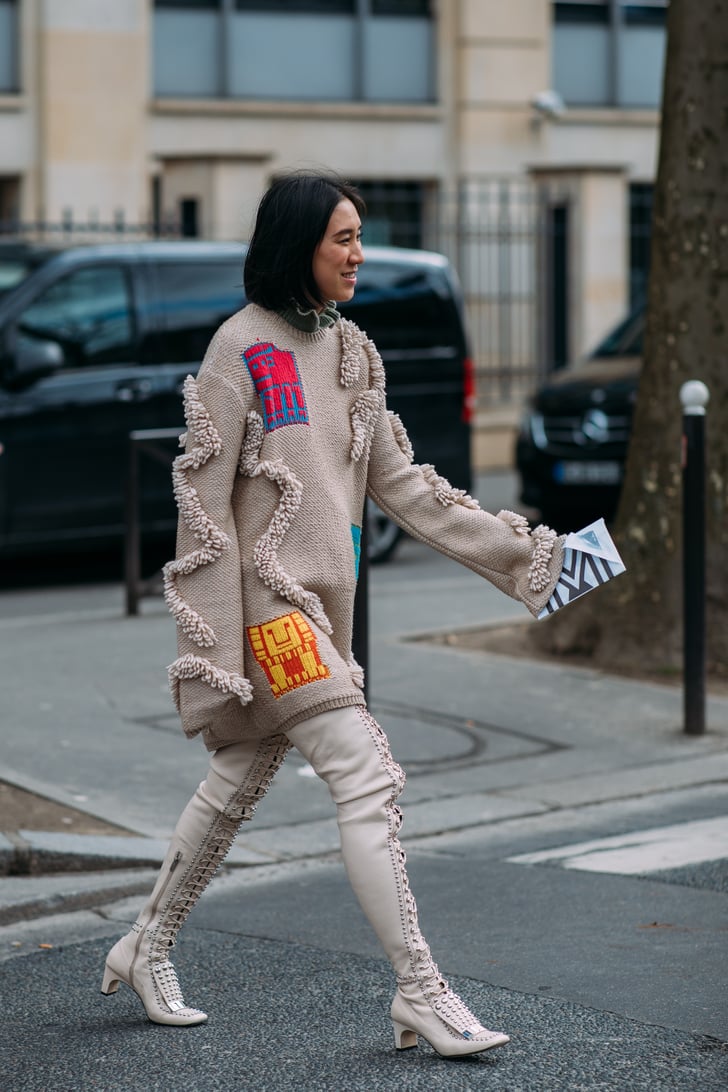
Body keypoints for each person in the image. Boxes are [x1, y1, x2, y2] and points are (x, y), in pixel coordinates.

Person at [100, 170, 566, 1058]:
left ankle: (145, 943)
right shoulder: (239, 350)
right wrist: (216, 649)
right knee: (369, 776)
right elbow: (200, 515)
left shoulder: (352, 352)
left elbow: (407, 489)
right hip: (270, 615)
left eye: (359, 236)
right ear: (297, 244)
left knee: (239, 773)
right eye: (342, 238)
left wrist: (533, 557)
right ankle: (421, 993)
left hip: (324, 607)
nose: (358, 254)